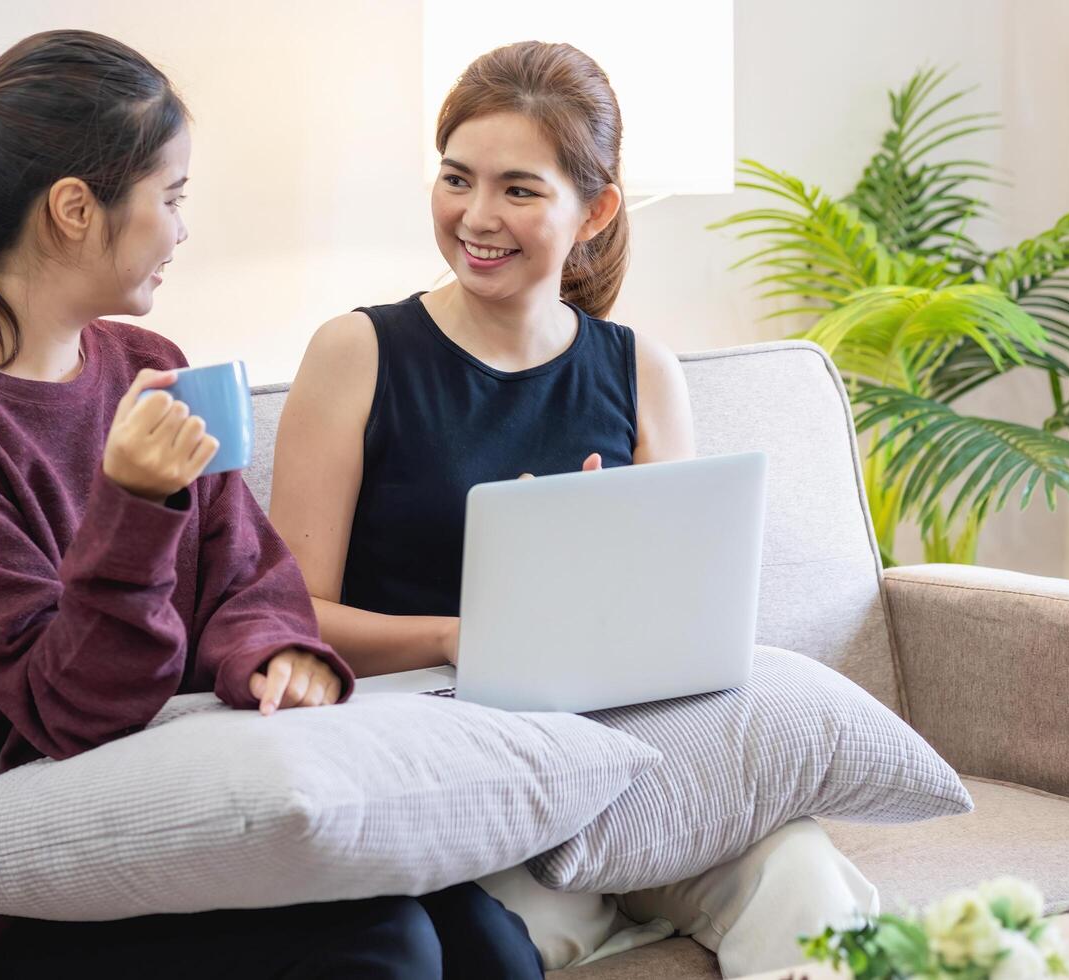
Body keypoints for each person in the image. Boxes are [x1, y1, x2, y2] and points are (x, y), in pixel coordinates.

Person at [0, 30, 541, 980]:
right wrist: (134, 502)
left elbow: (250, 578)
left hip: (191, 819)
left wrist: (277, 652)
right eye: (171, 199)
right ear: (75, 211)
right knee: (388, 949)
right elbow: (72, 715)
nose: (182, 230)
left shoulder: (152, 371)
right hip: (18, 905)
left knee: (485, 941)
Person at [270, 40, 879, 975]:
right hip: (447, 758)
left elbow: (689, 626)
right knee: (533, 921)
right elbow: (285, 617)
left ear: (594, 209)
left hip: (623, 757)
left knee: (806, 877)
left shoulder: (642, 370)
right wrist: (458, 635)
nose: (477, 217)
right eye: (456, 179)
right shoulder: (357, 353)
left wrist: (606, 566)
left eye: (519, 189)